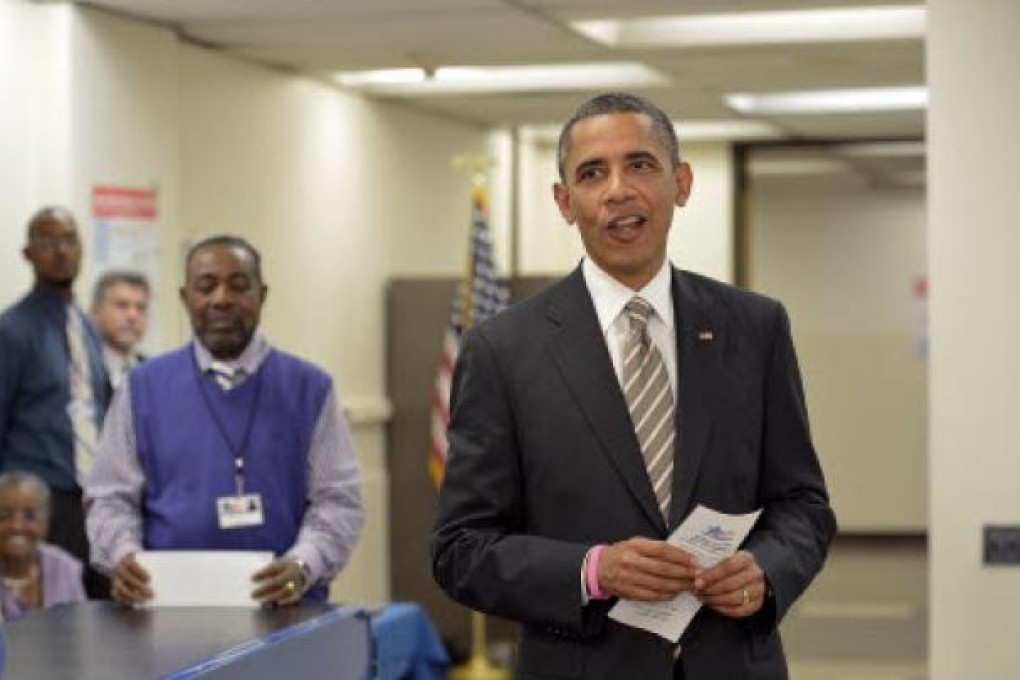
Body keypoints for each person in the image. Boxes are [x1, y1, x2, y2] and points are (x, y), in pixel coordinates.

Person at [430, 93, 836, 679]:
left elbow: (802, 505)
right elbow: (460, 549)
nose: (618, 188)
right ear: (565, 202)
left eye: (641, 164)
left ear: (682, 182)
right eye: (593, 173)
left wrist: (765, 571)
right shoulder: (502, 349)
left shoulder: (754, 327)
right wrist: (593, 571)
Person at [85, 235, 364, 607]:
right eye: (206, 286)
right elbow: (109, 497)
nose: (221, 299)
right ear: (186, 298)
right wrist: (123, 557)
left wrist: (303, 563)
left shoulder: (310, 388)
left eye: (238, 285)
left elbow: (338, 500)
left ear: (262, 295)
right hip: (168, 611)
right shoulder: (141, 388)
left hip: (287, 612)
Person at [0, 206, 112, 599]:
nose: (61, 251)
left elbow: (101, 409)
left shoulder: (86, 326)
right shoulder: (12, 330)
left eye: (69, 240)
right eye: (48, 242)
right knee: (55, 623)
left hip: (94, 499)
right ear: (28, 253)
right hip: (43, 502)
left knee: (104, 613)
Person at [0, 471, 86, 620]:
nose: (17, 526)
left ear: (46, 522)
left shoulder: (65, 568)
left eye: (30, 516)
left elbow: (79, 631)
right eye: (4, 515)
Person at [90, 270, 150, 388]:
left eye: (141, 308)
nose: (132, 316)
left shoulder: (152, 371)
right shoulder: (81, 369)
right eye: (121, 305)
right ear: (95, 312)